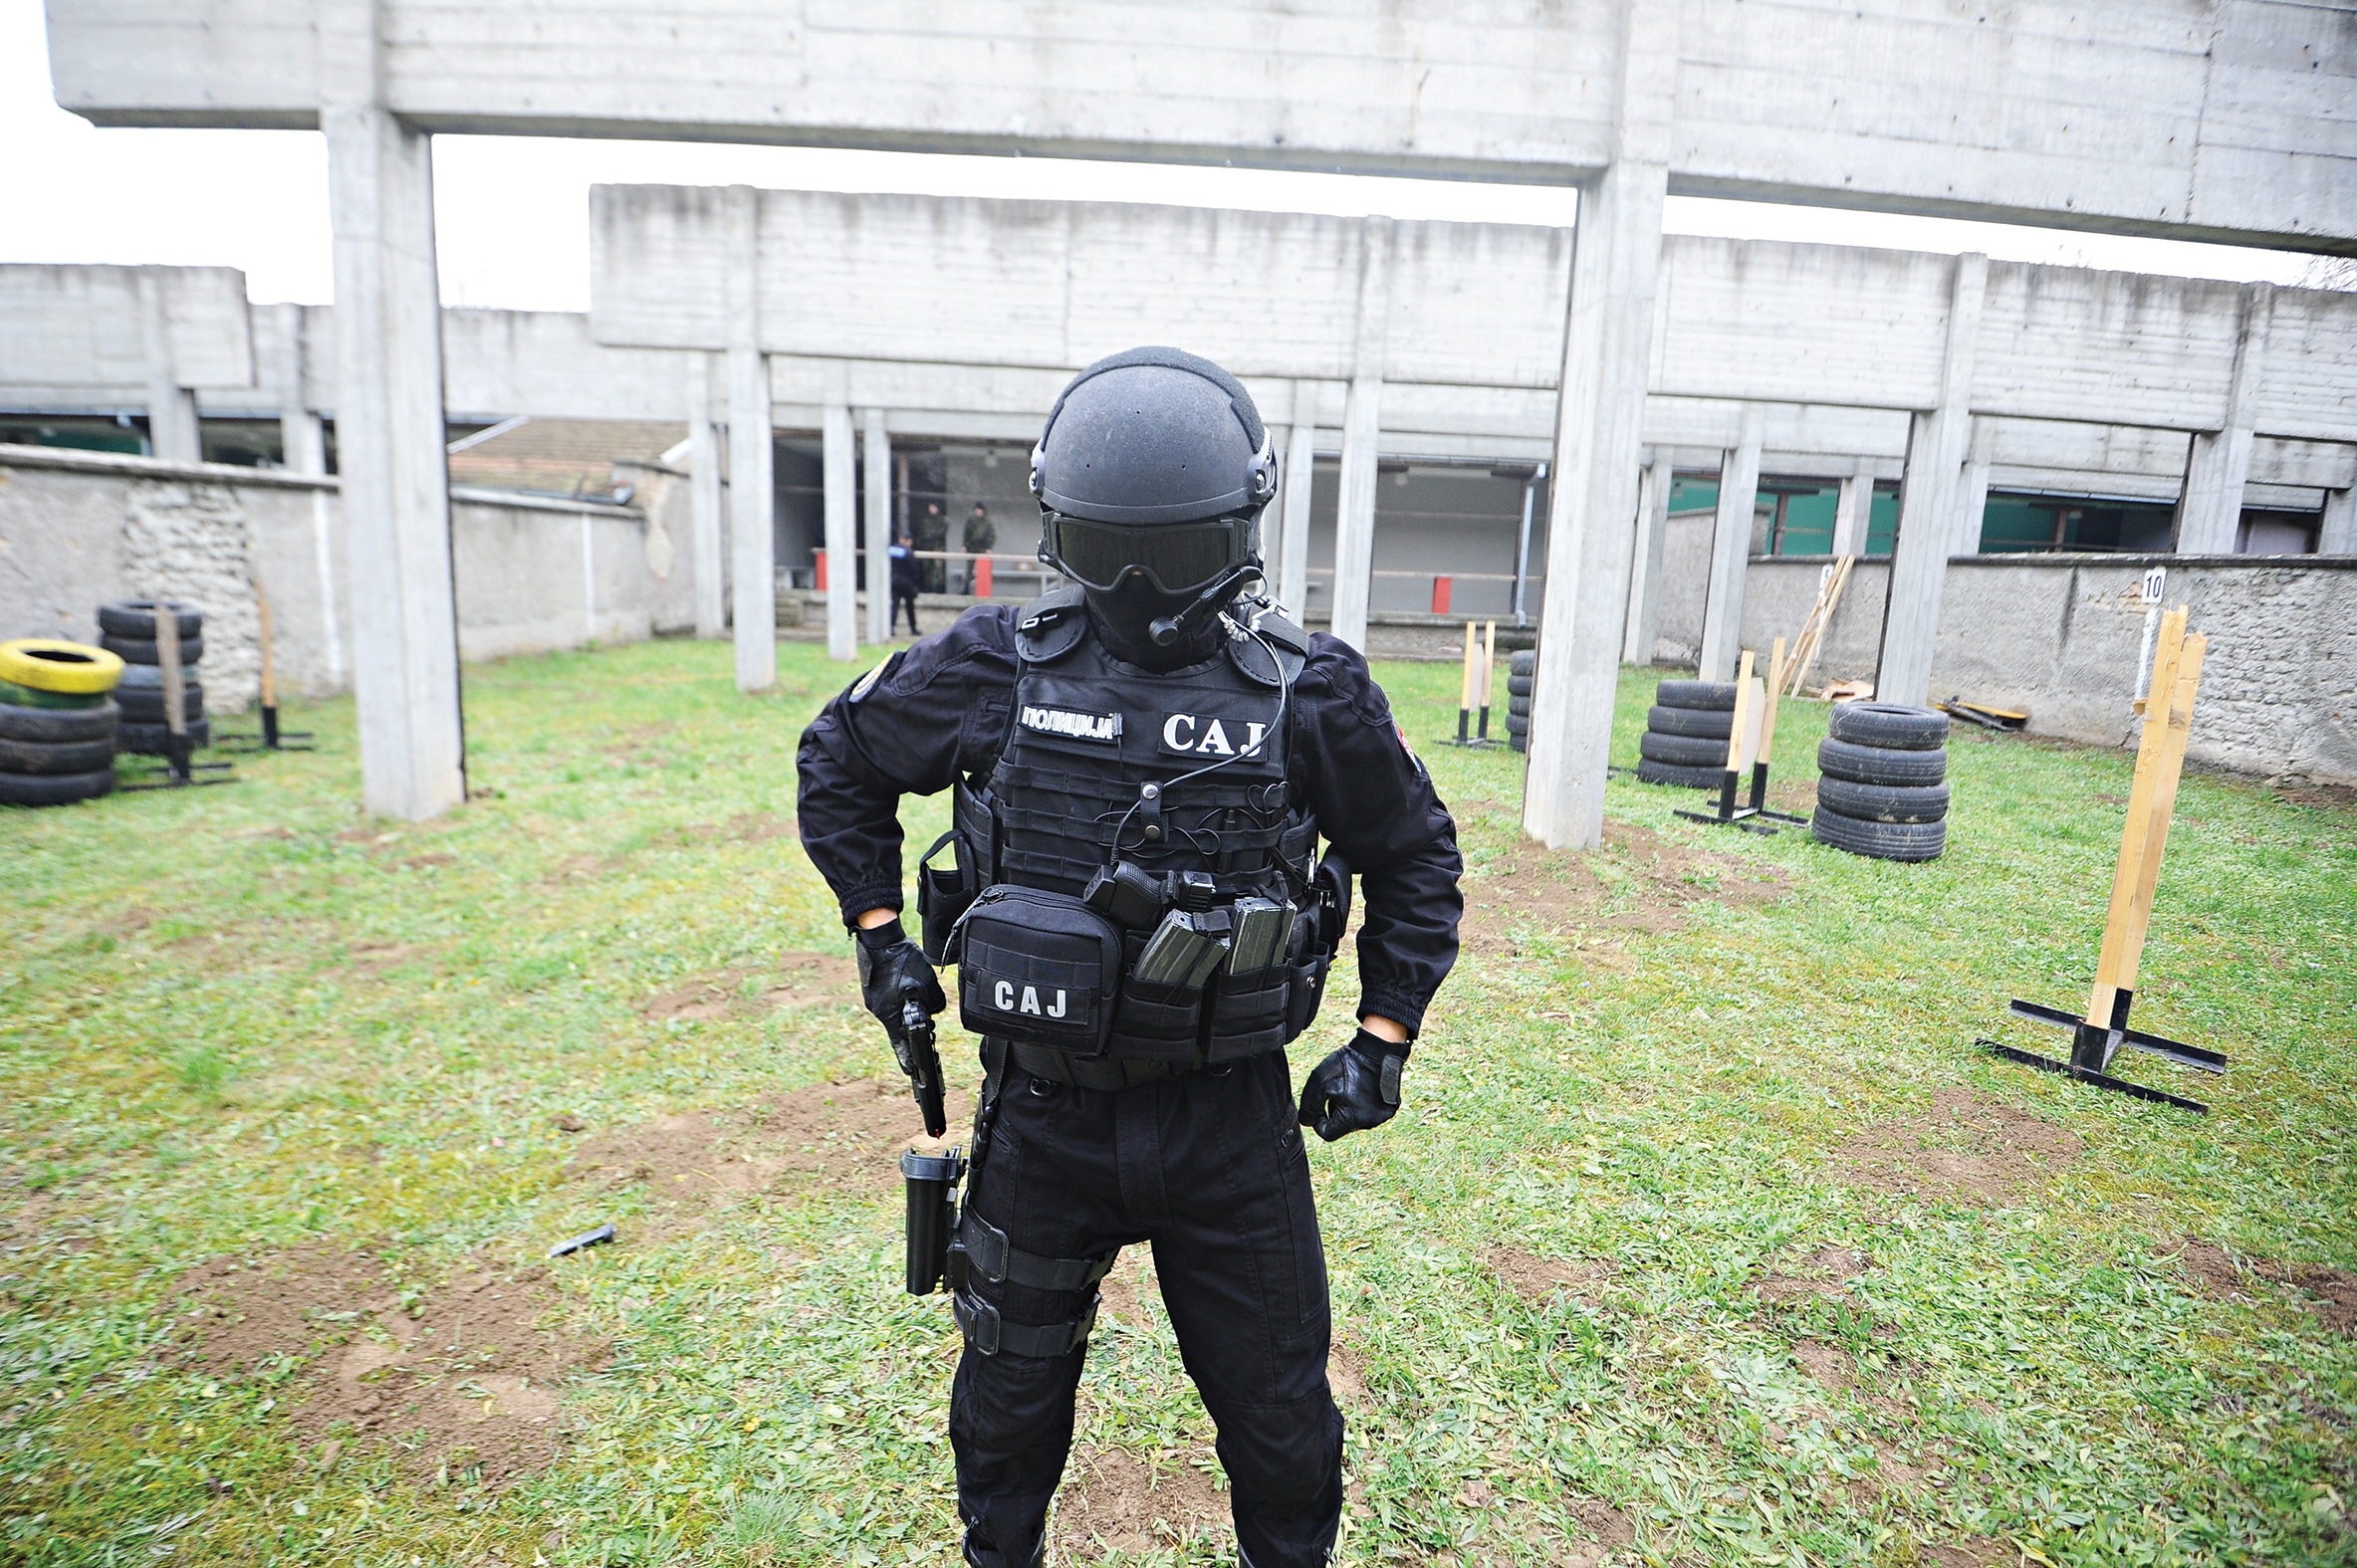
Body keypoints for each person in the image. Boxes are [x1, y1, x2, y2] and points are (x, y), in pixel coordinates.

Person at [797, 346, 1461, 1568]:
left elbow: (1414, 851)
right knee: (1006, 1419)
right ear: (1063, 535)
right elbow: (840, 756)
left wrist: (1384, 1038)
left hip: (1231, 1122)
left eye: (1176, 552)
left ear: (1238, 535)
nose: (1141, 587)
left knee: (1280, 1427)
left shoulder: (1309, 693)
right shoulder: (996, 663)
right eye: (1110, 553)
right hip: (1043, 1118)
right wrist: (880, 939)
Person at [889, 526, 923, 636]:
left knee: (894, 606)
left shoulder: (892, 550)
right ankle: (913, 628)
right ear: (909, 541)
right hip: (907, 583)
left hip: (894, 581)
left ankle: (890, 628)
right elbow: (914, 568)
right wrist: (916, 583)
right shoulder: (908, 552)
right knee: (910, 607)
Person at [916, 501, 950, 592]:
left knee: (938, 568)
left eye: (933, 507)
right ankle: (928, 587)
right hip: (927, 546)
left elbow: (942, 532)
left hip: (938, 547)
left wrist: (934, 535)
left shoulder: (942, 520)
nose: (932, 509)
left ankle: (939, 588)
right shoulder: (925, 520)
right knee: (926, 568)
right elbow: (922, 532)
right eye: (930, 507)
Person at [963, 502, 997, 594]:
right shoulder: (971, 521)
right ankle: (966, 588)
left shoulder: (987, 523)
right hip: (972, 547)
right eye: (976, 510)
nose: (978, 512)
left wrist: (989, 548)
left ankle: (982, 590)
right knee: (969, 569)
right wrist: (965, 545)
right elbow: (966, 533)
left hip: (982, 548)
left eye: (979, 510)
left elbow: (991, 536)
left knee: (982, 570)